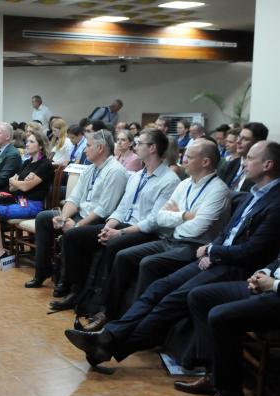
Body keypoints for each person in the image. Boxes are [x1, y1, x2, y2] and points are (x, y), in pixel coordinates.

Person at [64, 140, 280, 368]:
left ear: (267, 165)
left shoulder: (273, 202)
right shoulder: (252, 195)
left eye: (250, 159)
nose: (243, 163)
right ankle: (108, 337)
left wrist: (211, 249)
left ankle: (110, 342)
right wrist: (203, 237)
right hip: (211, 256)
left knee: (172, 299)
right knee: (158, 287)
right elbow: (222, 230)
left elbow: (253, 250)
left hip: (235, 267)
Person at [85, 139, 230, 331]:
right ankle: (108, 312)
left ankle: (133, 324)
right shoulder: (185, 183)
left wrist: (175, 216)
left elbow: (197, 229)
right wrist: (185, 216)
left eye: (189, 157)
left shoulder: (218, 190)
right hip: (170, 239)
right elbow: (161, 217)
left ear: (205, 162)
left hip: (193, 247)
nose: (183, 160)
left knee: (148, 263)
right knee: (123, 256)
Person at [51, 128, 180, 310]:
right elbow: (121, 208)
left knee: (111, 244)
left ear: (152, 148)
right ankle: (76, 290)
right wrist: (108, 226)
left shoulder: (169, 180)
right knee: (75, 236)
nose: (135, 146)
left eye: (139, 143)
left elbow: (153, 221)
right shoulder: (136, 176)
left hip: (143, 231)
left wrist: (119, 232)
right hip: (121, 225)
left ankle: (102, 304)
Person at [25, 129, 128, 290]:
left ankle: (67, 282)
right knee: (43, 218)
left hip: (98, 221)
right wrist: (63, 217)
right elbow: (74, 198)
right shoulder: (90, 168)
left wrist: (77, 226)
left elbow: (104, 210)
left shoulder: (115, 171)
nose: (85, 149)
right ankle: (42, 271)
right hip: (80, 214)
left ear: (100, 148)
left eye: (88, 146)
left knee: (73, 233)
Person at [183, 253, 280, 396]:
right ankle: (213, 377)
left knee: (220, 316)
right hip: (269, 288)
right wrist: (263, 274)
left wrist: (275, 285)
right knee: (199, 296)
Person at [0, 131, 54, 265]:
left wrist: (18, 182)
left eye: (32, 142)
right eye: (27, 141)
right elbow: (12, 186)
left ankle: (0, 251)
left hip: (32, 205)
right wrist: (19, 183)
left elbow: (25, 187)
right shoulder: (26, 163)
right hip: (18, 200)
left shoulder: (45, 164)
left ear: (41, 146)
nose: (27, 144)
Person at [219, 122, 268, 192]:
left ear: (258, 143)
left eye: (245, 139)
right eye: (239, 137)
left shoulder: (261, 171)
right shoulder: (231, 164)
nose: (238, 141)